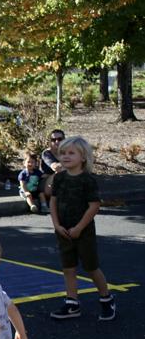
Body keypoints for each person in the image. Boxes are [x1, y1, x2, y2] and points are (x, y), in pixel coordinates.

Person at [48, 136, 115, 321]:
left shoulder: (87, 180)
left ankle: (106, 299)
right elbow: (53, 201)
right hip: (63, 230)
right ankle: (72, 303)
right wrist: (56, 224)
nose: (66, 156)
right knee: (68, 268)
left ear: (83, 157)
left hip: (83, 231)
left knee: (91, 267)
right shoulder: (59, 178)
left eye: (71, 153)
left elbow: (94, 206)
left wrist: (78, 227)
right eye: (62, 153)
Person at [41, 129, 65, 196]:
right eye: (53, 140)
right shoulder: (46, 153)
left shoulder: (67, 152)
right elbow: (56, 167)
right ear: (50, 141)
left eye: (60, 139)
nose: (57, 142)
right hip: (46, 181)